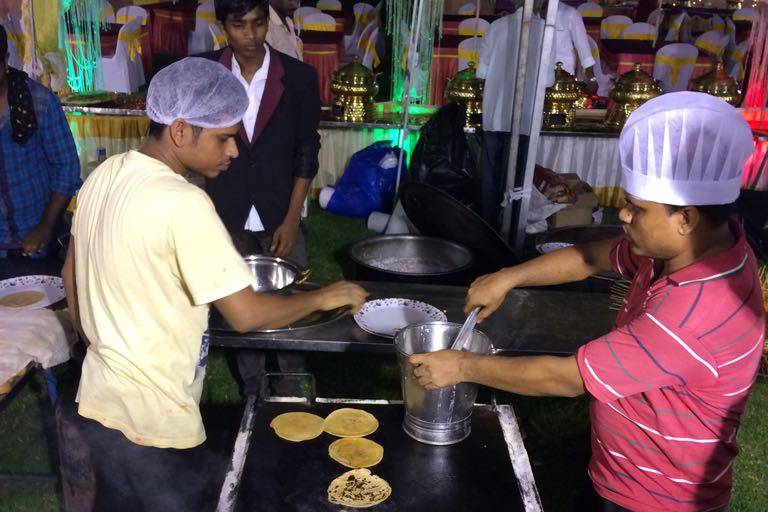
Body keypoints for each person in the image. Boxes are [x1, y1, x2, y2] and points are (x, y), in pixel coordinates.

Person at [410, 93, 764, 512]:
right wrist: (509, 277)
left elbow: (566, 377)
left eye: (637, 208)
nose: (624, 217)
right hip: (624, 471)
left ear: (685, 219)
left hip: (654, 499)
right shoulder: (699, 250)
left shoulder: (695, 312)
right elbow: (592, 257)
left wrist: (462, 366)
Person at [60, 57, 366, 511]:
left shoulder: (104, 174)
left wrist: (100, 342)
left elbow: (70, 273)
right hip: (156, 417)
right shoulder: (185, 203)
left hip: (101, 399)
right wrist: (325, 296)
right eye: (224, 138)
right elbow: (246, 315)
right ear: (181, 131)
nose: (234, 152)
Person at [206, 0, 322, 396]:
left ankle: (292, 388)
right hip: (227, 212)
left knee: (293, 303)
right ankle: (253, 392)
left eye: (258, 24)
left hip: (279, 211)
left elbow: (307, 150)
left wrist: (291, 218)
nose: (250, 36)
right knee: (240, 306)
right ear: (223, 25)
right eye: (239, 25)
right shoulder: (206, 74)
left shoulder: (298, 78)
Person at [477, 0, 596, 228]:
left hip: (495, 114)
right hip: (525, 117)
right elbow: (549, 79)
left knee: (491, 176)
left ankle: (486, 225)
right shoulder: (544, 31)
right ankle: (512, 225)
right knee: (519, 177)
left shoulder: (496, 27)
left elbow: (482, 73)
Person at [0, 25, 80, 259]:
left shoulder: (39, 101)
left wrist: (45, 226)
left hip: (38, 244)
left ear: (5, 62)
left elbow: (67, 167)